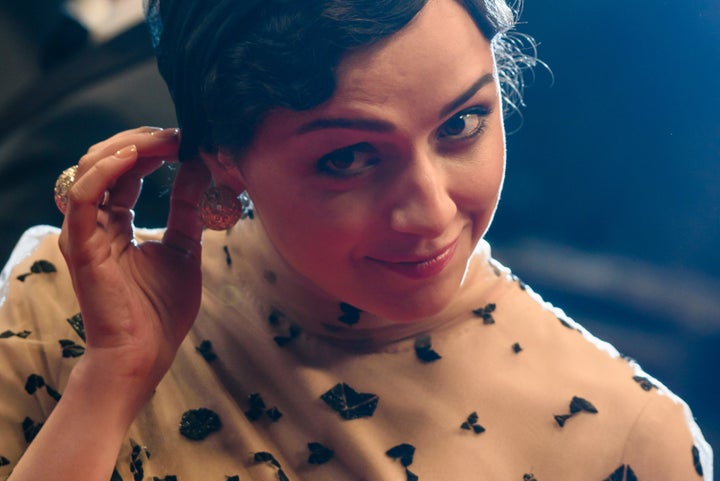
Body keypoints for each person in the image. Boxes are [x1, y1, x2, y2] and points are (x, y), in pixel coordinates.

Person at [0, 0, 712, 480]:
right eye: (347, 158)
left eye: (461, 125)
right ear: (223, 158)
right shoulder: (63, 307)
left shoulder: (630, 437)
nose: (430, 212)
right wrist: (110, 381)